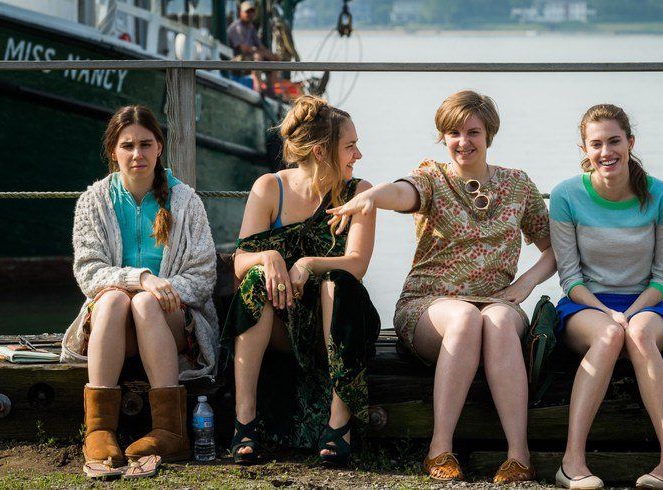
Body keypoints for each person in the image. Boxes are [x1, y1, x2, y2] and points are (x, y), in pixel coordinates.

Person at [328, 90, 556, 484]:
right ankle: (440, 448)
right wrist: (371, 198)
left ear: (489, 135)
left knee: (499, 322)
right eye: (453, 133)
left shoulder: (518, 185)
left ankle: (519, 456)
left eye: (473, 132)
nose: (463, 142)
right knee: (466, 317)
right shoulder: (433, 176)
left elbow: (554, 250)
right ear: (443, 137)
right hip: (430, 303)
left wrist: (526, 282)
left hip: (498, 301)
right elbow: (402, 192)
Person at [60, 105, 218, 479]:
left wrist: (160, 290)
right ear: (113, 151)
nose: (137, 154)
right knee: (115, 299)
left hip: (171, 324)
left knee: (146, 304)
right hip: (114, 325)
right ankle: (99, 431)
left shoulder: (186, 201)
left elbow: (203, 274)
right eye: (127, 145)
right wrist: (142, 278)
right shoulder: (94, 201)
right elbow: (89, 271)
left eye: (146, 144)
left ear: (159, 147)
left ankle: (170, 430)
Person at [220, 95, 379, 466]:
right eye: (350, 146)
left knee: (339, 281)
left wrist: (308, 264)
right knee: (254, 281)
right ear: (321, 151)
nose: (358, 155)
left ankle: (339, 423)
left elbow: (357, 264)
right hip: (282, 323)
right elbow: (240, 261)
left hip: (338, 323)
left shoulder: (359, 192)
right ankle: (245, 421)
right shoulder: (269, 188)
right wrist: (268, 256)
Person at [549, 103, 663, 490]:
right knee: (609, 335)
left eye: (614, 141)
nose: (606, 151)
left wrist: (630, 313)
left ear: (630, 143)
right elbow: (570, 277)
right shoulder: (565, 195)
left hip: (646, 304)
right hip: (585, 304)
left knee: (638, 334)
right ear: (584, 150)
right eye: (596, 144)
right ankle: (572, 464)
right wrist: (608, 313)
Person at [227, 1, 280, 95]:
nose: (250, 14)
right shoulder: (236, 27)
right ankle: (257, 89)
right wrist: (258, 52)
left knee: (273, 58)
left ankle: (271, 89)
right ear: (241, 13)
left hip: (250, 55)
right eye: (247, 12)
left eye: (252, 12)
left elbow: (260, 46)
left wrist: (271, 55)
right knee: (257, 58)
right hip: (236, 59)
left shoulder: (251, 27)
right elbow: (243, 49)